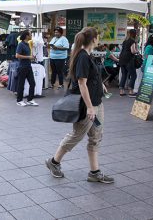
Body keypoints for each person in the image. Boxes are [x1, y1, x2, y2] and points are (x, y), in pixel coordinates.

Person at [45, 27, 114, 184]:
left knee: (96, 137)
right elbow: (82, 83)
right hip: (87, 105)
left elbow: (89, 79)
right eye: (98, 37)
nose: (99, 40)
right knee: (77, 135)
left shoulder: (87, 55)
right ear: (93, 39)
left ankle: (94, 173)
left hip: (97, 102)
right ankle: (54, 162)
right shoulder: (82, 56)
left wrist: (100, 85)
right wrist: (90, 107)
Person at [16, 30, 38, 107]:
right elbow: (17, 56)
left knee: (32, 83)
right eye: (30, 35)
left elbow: (27, 56)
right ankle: (19, 100)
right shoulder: (20, 44)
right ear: (26, 36)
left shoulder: (28, 44)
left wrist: (32, 57)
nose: (31, 36)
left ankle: (30, 99)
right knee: (21, 84)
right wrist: (29, 57)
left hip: (28, 66)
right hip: (22, 67)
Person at [119, 29, 139, 97]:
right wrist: (137, 51)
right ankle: (131, 91)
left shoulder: (125, 41)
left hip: (121, 59)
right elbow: (133, 51)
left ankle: (121, 91)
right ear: (134, 34)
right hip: (128, 60)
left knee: (124, 75)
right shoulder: (132, 41)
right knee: (133, 75)